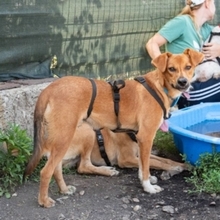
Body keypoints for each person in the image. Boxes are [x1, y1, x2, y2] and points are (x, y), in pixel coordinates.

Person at [146, 0, 220, 109]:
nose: (215, 8)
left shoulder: (207, 30)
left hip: (202, 83)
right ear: (207, 3)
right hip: (185, 90)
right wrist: (164, 69)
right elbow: (152, 43)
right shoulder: (182, 22)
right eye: (214, 3)